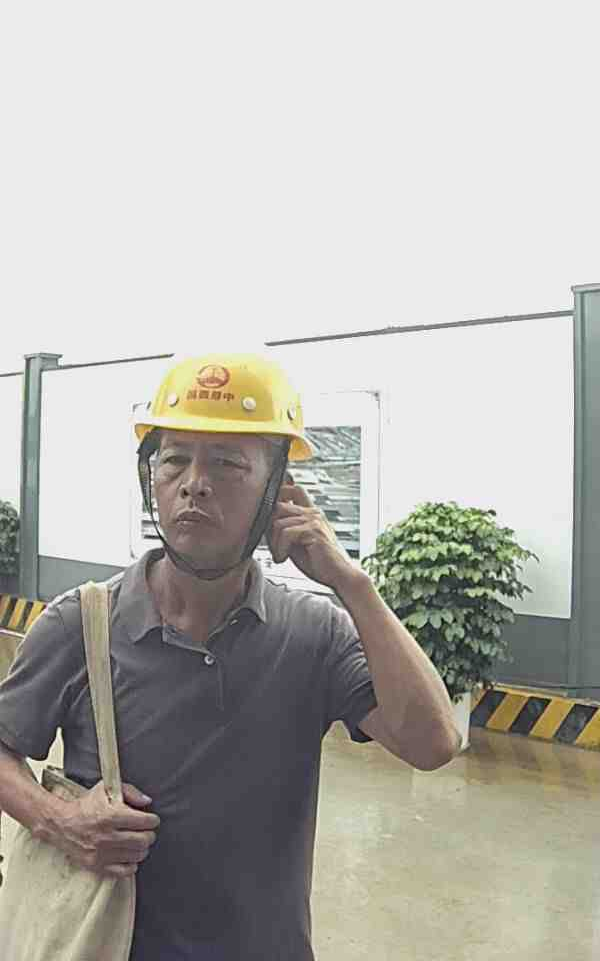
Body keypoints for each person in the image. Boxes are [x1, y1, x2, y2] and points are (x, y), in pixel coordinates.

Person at [0, 353, 461, 959]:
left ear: (277, 492)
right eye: (174, 459)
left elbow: (433, 744)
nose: (194, 482)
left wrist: (352, 584)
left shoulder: (314, 633)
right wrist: (57, 820)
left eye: (226, 462)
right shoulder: (81, 623)